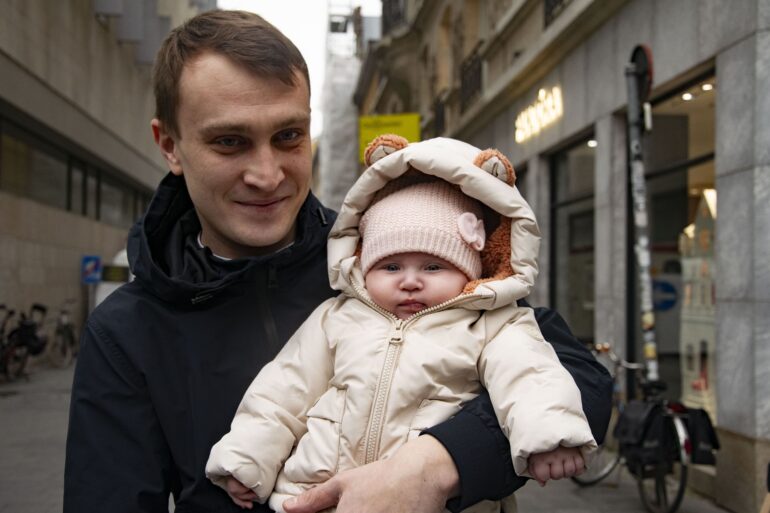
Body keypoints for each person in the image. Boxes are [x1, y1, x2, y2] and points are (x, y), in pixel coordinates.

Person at [63, 9, 612, 513]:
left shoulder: (384, 258)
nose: (267, 174)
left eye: (288, 136)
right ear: (171, 146)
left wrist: (437, 464)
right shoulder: (126, 332)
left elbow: (574, 374)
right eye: (229, 142)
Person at [205, 135, 598, 512]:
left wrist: (550, 435)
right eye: (391, 266)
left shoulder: (491, 324)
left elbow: (530, 374)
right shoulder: (336, 317)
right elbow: (284, 390)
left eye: (433, 266)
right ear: (363, 264)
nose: (410, 280)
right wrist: (247, 457)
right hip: (318, 495)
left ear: (471, 269)